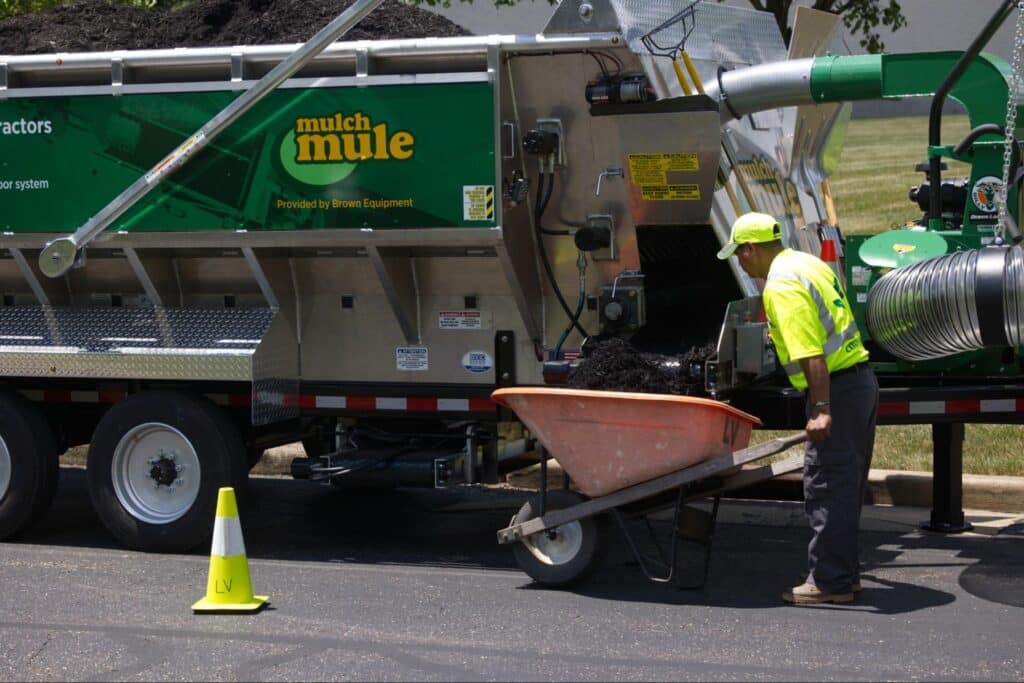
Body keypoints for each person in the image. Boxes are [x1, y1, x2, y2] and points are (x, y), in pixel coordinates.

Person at [717, 212, 879, 605]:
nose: (740, 263)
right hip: (858, 382)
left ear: (751, 249)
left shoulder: (782, 285)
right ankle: (842, 574)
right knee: (845, 487)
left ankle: (829, 583)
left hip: (835, 389)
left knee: (826, 485)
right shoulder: (806, 263)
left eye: (739, 254)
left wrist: (821, 409)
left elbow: (811, 354)